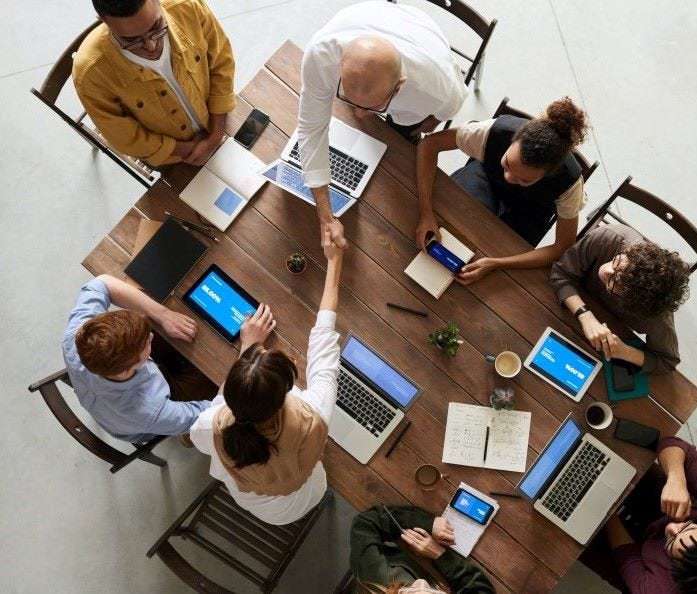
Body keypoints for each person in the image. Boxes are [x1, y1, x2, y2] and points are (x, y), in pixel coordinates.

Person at [190, 226, 344, 525]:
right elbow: (324, 342)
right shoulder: (313, 415)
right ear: (284, 394)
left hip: (264, 510)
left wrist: (247, 346)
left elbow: (204, 431)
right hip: (304, 495)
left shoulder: (212, 424)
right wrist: (335, 260)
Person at [299, 0, 467, 248]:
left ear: (399, 85)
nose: (357, 113)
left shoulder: (436, 90)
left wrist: (430, 121)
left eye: (371, 106)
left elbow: (447, 110)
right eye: (348, 98)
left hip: (421, 36)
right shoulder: (320, 55)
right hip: (373, 17)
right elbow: (311, 129)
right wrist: (326, 215)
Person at [415, 97, 589, 284]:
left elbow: (563, 246)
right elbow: (428, 145)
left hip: (532, 210)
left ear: (548, 175)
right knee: (450, 219)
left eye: (524, 179)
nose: (509, 177)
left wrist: (496, 263)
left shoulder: (569, 184)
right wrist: (425, 212)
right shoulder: (492, 132)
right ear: (513, 139)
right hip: (487, 179)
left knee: (498, 258)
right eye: (507, 163)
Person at [73, 0, 236, 167]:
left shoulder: (187, 6)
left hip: (220, 119)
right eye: (132, 40)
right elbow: (123, 136)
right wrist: (185, 150)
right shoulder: (90, 74)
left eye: (156, 27)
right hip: (175, 159)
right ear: (103, 20)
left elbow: (221, 61)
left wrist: (215, 135)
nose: (151, 46)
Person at [62, 274, 216, 443]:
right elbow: (214, 415)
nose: (150, 336)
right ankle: (188, 437)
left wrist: (163, 314)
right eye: (146, 342)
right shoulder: (150, 412)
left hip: (110, 401)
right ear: (129, 368)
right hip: (148, 420)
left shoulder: (78, 337)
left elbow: (102, 282)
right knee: (217, 379)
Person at [600, 437, 697, 593]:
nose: (671, 527)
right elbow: (671, 443)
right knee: (628, 458)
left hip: (640, 556)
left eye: (671, 541)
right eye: (687, 527)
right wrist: (676, 479)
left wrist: (606, 508)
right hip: (667, 504)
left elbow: (627, 556)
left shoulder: (658, 589)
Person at [549, 223, 691, 373]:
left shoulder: (656, 315)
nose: (606, 270)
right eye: (617, 263)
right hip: (565, 306)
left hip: (604, 339)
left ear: (633, 302)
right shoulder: (609, 237)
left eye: (615, 282)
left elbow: (667, 361)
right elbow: (561, 273)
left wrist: (624, 351)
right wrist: (585, 316)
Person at [350, 505, 495, 593]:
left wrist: (426, 523)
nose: (421, 582)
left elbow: (365, 524)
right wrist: (440, 555)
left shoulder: (376, 580)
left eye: (407, 592)